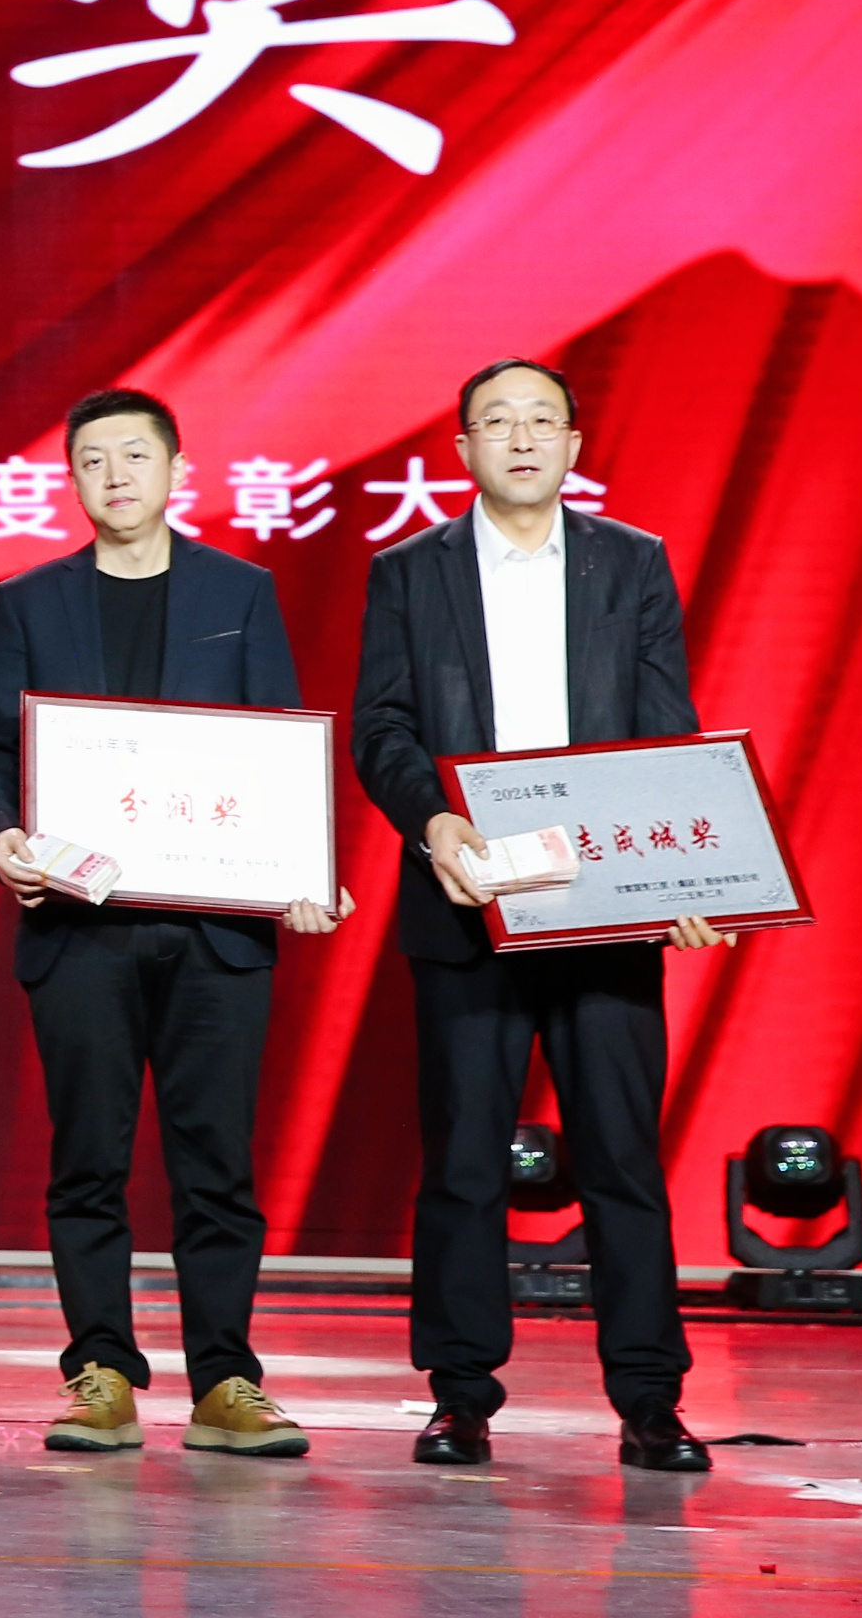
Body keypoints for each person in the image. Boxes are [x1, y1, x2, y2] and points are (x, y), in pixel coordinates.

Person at [0, 387, 345, 1461]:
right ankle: (99, 1371)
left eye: (136, 454)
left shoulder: (241, 591)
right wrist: (2, 833)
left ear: (177, 470)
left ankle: (225, 1378)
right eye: (93, 459)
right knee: (87, 1157)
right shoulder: (29, 602)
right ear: (71, 481)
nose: (116, 474)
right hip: (81, 922)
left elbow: (276, 743)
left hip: (217, 929)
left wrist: (300, 870)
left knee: (215, 1162)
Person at [351, 356, 720, 1474]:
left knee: (622, 1157)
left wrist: (690, 885)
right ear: (462, 447)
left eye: (542, 420)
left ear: (573, 444)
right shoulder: (408, 572)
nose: (521, 438)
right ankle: (460, 1395)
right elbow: (383, 727)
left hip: (604, 908)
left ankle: (651, 1399)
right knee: (464, 1159)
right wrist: (434, 824)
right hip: (467, 898)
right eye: (497, 421)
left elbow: (666, 730)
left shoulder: (632, 562)